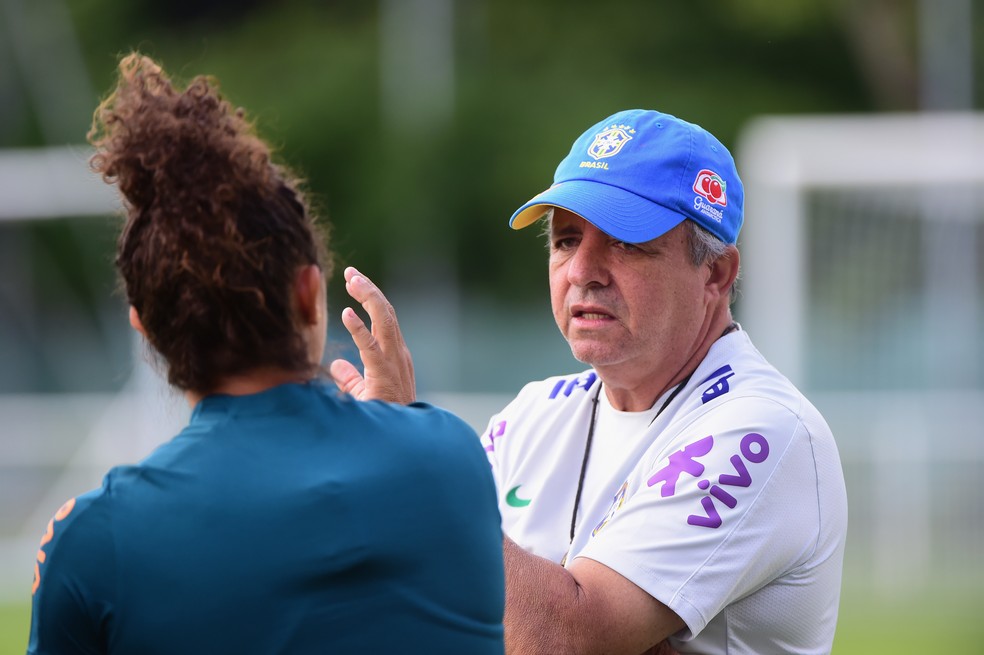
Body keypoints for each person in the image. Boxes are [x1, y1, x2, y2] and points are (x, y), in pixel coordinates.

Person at [27, 53, 505, 655]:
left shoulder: (96, 540)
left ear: (145, 329)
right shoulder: (451, 454)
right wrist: (399, 426)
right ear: (309, 294)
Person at [330, 108, 848, 654]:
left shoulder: (762, 429)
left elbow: (561, 638)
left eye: (624, 241)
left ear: (715, 274)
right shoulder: (536, 412)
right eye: (566, 240)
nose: (582, 270)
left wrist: (410, 461)